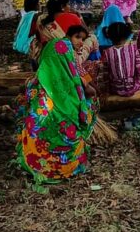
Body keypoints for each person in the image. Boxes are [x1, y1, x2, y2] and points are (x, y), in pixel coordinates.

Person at [15, 38, 95, 183]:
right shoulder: (75, 84)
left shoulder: (34, 84)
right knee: (91, 104)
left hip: (37, 160)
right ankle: (67, 162)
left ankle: (38, 158)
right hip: (68, 161)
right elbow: (89, 100)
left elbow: (22, 109)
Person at [100, 23, 140, 97]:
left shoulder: (107, 52)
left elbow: (105, 73)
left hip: (116, 88)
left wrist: (107, 91)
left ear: (109, 36)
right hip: (132, 87)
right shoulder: (133, 48)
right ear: (127, 35)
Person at [65, 25, 99, 93]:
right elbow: (81, 71)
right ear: (68, 37)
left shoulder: (74, 51)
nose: (81, 42)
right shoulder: (70, 52)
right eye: (77, 37)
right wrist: (94, 87)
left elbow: (81, 70)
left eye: (83, 39)